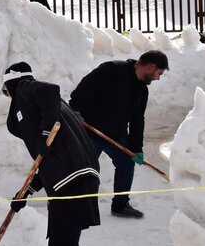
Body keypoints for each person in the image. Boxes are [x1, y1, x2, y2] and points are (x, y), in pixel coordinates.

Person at [2, 62, 100, 246]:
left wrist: (45, 133)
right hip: (72, 177)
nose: (7, 96)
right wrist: (26, 191)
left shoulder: (26, 88)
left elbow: (49, 89)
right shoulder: (46, 109)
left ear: (10, 83)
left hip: (72, 179)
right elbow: (48, 160)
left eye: (6, 91)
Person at [68, 50, 169, 220]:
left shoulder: (142, 90)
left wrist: (136, 148)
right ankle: (72, 207)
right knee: (84, 171)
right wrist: (74, 108)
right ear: (151, 66)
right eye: (159, 73)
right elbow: (86, 85)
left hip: (117, 135)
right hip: (90, 132)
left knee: (126, 164)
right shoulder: (113, 69)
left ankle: (120, 205)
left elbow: (138, 120)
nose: (158, 78)